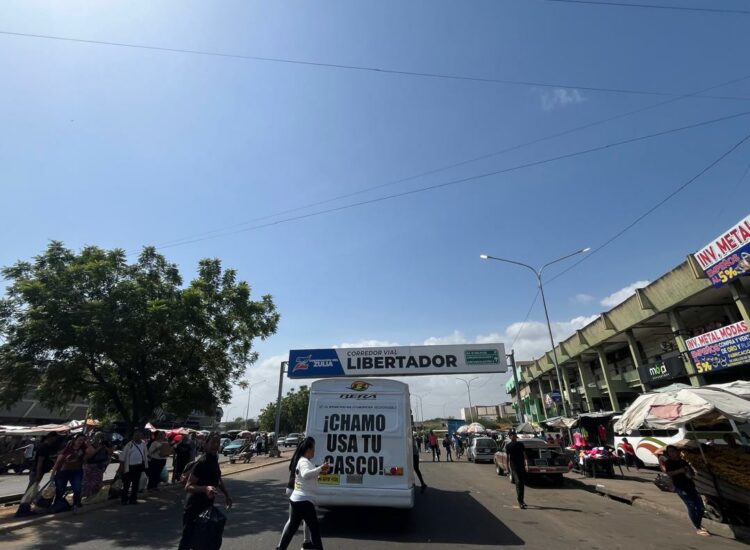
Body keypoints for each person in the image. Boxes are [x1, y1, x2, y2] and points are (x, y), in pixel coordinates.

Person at [178, 434, 232, 550]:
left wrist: (227, 495)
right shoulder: (202, 462)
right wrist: (205, 488)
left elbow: (217, 478)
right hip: (193, 508)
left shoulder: (214, 459)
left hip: (206, 507)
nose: (216, 445)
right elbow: (188, 486)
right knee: (187, 539)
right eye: (213, 442)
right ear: (205, 444)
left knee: (204, 539)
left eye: (218, 442)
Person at [277, 437, 329, 550]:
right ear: (308, 449)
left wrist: (319, 474)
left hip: (297, 500)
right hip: (304, 502)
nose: (314, 451)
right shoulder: (304, 461)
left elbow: (305, 478)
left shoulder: (302, 460)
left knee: (292, 528)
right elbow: (305, 474)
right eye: (313, 448)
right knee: (314, 530)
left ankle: (281, 548)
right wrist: (320, 468)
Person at [662, 445, 710, 537]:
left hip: (691, 486)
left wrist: (688, 472)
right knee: (691, 505)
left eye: (673, 451)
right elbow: (669, 473)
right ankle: (698, 528)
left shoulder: (683, 462)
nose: (671, 453)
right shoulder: (669, 463)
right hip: (680, 487)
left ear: (677, 452)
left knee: (700, 507)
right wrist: (680, 471)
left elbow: (691, 475)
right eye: (669, 452)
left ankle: (699, 524)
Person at [15, 431, 61, 517]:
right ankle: (22, 510)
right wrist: (38, 475)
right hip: (36, 472)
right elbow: (40, 462)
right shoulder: (43, 447)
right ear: (50, 437)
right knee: (30, 491)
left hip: (38, 472)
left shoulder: (46, 446)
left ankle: (25, 509)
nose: (55, 440)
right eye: (55, 438)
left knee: (32, 491)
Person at [51, 433, 87, 513]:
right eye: (79, 440)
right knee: (60, 489)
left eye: (83, 440)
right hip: (63, 471)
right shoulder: (67, 448)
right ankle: (59, 506)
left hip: (76, 471)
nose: (81, 442)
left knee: (77, 489)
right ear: (75, 440)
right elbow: (58, 461)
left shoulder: (84, 449)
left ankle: (76, 505)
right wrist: (53, 473)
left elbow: (86, 459)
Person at [120, 430, 148, 505]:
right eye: (135, 435)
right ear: (133, 436)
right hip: (129, 467)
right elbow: (122, 457)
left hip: (138, 467)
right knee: (126, 484)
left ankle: (133, 499)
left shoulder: (143, 444)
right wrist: (122, 467)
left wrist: (144, 465)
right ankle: (124, 499)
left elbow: (145, 455)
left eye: (139, 435)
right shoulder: (129, 445)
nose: (137, 437)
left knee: (136, 484)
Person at [82, 433, 112, 499]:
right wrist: (98, 449)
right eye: (97, 437)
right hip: (90, 466)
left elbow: (110, 453)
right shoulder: (91, 445)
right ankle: (86, 496)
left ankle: (94, 496)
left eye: (101, 437)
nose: (99, 439)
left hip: (99, 467)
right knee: (87, 483)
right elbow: (87, 457)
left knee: (97, 483)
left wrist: (105, 447)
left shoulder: (105, 445)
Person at [504, 432, 527, 509]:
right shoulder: (508, 446)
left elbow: (524, 455)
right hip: (514, 466)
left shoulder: (520, 444)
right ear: (510, 437)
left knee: (522, 483)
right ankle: (520, 501)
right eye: (512, 436)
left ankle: (522, 500)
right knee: (518, 482)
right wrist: (507, 468)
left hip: (521, 466)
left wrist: (526, 464)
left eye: (514, 436)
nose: (513, 437)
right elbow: (507, 457)